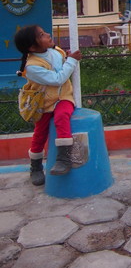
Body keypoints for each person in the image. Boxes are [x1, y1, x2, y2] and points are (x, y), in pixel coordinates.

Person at [15, 26, 82, 185]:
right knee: (40, 133)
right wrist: (72, 60)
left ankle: (64, 158)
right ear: (32, 47)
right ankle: (36, 166)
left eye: (44, 32)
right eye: (42, 35)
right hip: (44, 102)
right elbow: (58, 78)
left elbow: (62, 68)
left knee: (62, 117)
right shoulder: (32, 66)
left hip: (63, 97)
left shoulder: (55, 51)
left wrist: (68, 58)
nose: (47, 35)